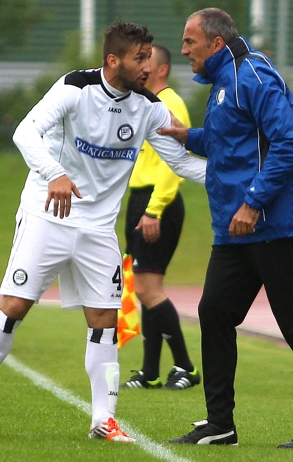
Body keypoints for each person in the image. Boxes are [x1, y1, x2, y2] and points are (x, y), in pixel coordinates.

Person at [0, 21, 206, 442]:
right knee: (14, 306)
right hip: (47, 213)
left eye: (149, 58)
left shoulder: (149, 107)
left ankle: (103, 419)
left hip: (97, 228)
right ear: (114, 60)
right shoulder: (75, 87)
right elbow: (25, 132)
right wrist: (54, 172)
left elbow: (180, 163)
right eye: (139, 58)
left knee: (105, 320)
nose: (148, 66)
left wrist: (239, 182)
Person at [160, 8, 293, 450]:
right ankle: (219, 423)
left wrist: (252, 202)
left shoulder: (254, 75)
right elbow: (231, 142)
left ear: (216, 43)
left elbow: (286, 143)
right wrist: (187, 135)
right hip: (236, 230)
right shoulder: (225, 83)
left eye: (190, 42)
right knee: (215, 312)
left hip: (272, 224)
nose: (184, 50)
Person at [121, 43, 200, 391]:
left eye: (146, 59)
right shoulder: (143, 103)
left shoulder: (169, 103)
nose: (140, 64)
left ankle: (185, 366)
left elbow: (176, 164)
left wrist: (154, 209)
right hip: (140, 199)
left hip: (158, 203)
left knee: (150, 288)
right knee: (141, 288)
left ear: (162, 69)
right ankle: (150, 370)